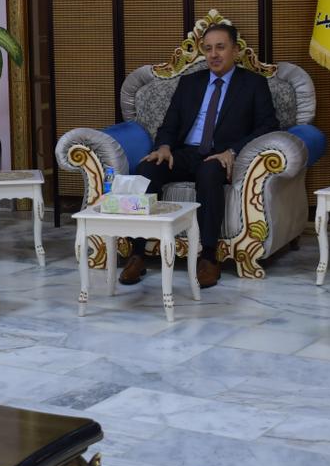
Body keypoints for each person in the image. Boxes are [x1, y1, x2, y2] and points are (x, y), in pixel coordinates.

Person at [119, 22, 279, 289]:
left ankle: (208, 257)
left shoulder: (253, 84)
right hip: (184, 153)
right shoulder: (190, 83)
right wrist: (164, 147)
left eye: (220, 47)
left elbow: (268, 126)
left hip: (220, 155)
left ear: (235, 50)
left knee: (209, 172)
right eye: (208, 49)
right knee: (147, 170)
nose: (213, 54)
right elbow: (170, 123)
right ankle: (137, 253)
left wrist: (233, 151)